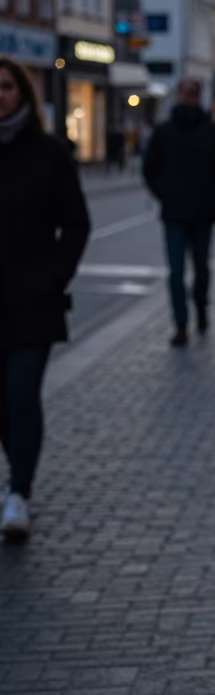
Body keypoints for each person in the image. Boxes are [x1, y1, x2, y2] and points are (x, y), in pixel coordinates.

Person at [0, 56, 90, 539]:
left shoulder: (48, 153)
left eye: (6, 86)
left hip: (33, 297)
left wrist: (55, 276)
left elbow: (76, 223)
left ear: (23, 93)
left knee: (22, 392)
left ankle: (19, 491)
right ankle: (17, 474)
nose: (0, 96)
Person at [143, 79, 215, 347]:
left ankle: (201, 308)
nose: (188, 98)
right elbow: (149, 169)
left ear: (198, 96)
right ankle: (181, 323)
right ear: (178, 95)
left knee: (201, 269)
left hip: (203, 212)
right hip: (174, 213)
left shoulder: (212, 131)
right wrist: (164, 194)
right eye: (185, 94)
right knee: (176, 272)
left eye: (193, 94)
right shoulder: (165, 131)